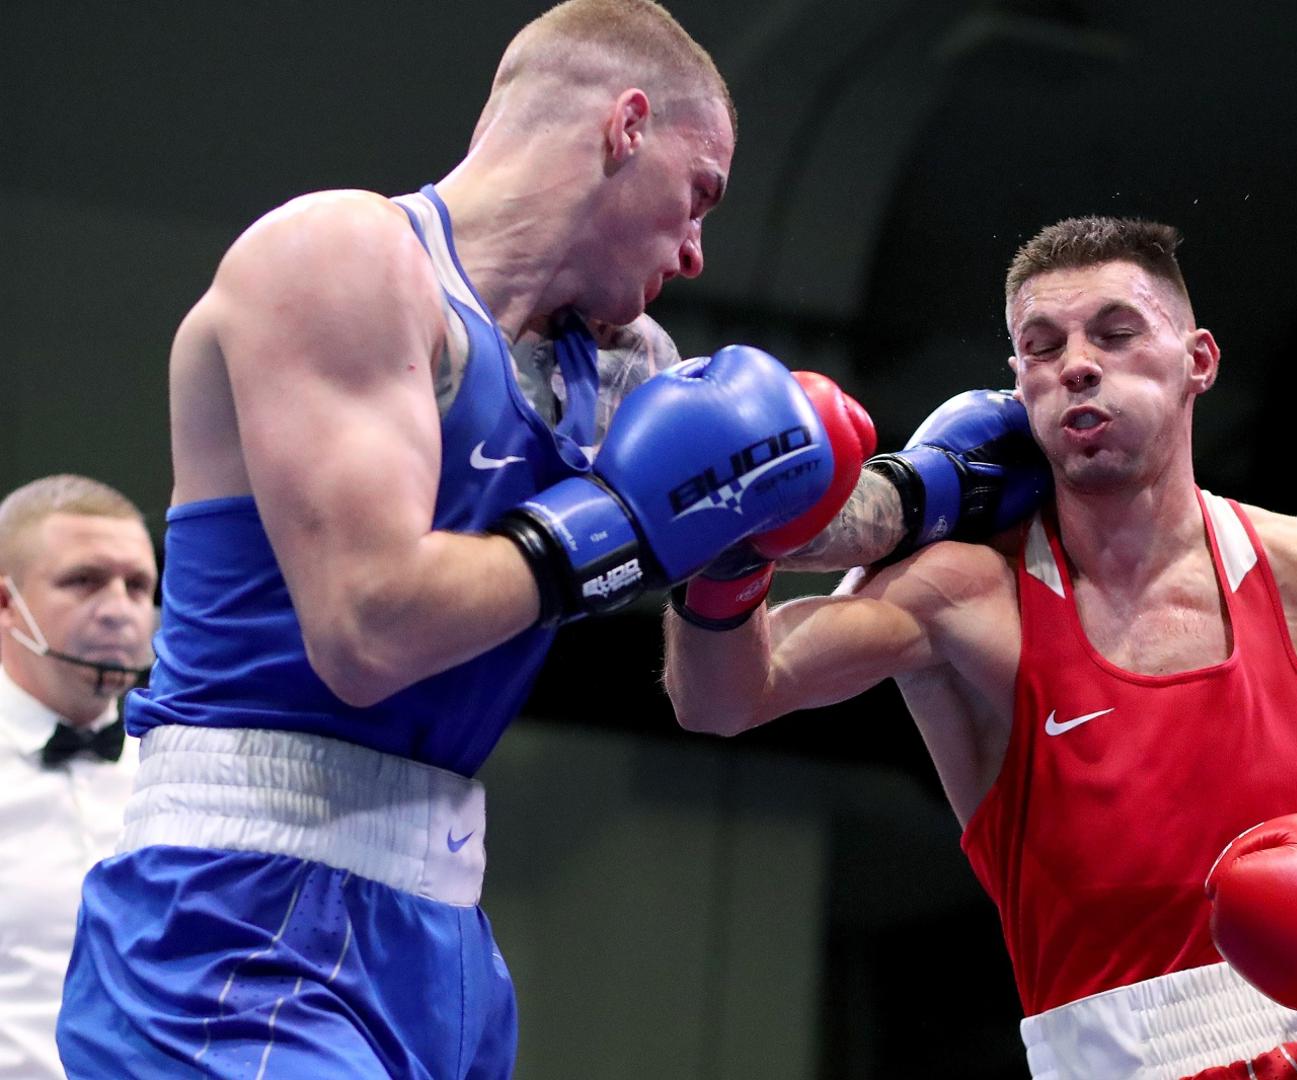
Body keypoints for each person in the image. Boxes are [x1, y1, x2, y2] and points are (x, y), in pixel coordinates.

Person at [56, 2, 877, 1077]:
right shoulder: (341, 258)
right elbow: (369, 629)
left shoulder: (622, 365)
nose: (694, 249)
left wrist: (955, 484)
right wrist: (630, 525)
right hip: (235, 907)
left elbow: (744, 636)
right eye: (699, 194)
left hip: (441, 934)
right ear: (626, 127)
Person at [664, 216, 1297, 1079]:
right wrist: (728, 556)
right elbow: (723, 698)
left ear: (1198, 361)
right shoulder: (966, 595)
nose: (1076, 364)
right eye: (1041, 346)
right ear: (1020, 386)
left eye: (1115, 332)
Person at [0, 475, 156, 1079]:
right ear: (7, 604)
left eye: (137, 585)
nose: (119, 610)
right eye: (85, 581)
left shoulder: (194, 774)